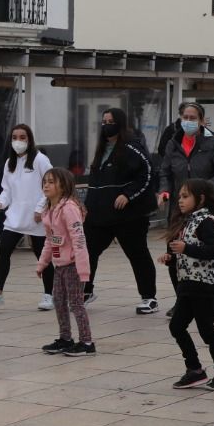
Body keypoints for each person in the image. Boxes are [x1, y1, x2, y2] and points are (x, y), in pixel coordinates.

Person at [161, 179, 214, 390]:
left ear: (201, 198)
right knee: (176, 326)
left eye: (185, 196)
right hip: (188, 283)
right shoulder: (187, 220)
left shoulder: (207, 221)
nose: (180, 200)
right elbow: (184, 249)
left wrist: (185, 248)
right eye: (179, 197)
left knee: (206, 329)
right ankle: (195, 369)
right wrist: (171, 257)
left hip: (205, 284)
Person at [82, 108, 159, 313]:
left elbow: (148, 174)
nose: (106, 125)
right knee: (88, 251)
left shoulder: (131, 148)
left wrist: (128, 194)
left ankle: (149, 297)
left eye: (110, 121)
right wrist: (87, 206)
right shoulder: (102, 149)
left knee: (137, 253)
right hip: (99, 214)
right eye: (103, 121)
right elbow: (95, 181)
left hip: (128, 216)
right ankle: (85, 291)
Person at [155, 103, 214, 307]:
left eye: (192, 117)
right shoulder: (173, 143)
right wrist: (164, 191)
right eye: (184, 117)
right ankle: (182, 301)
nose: (188, 121)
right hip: (178, 207)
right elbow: (165, 172)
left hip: (205, 207)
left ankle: (209, 303)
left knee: (204, 252)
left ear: (202, 120)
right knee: (174, 253)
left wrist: (204, 188)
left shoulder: (212, 143)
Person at [0, 124, 55, 312]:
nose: (18, 141)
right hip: (14, 218)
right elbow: (7, 189)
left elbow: (51, 185)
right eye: (14, 137)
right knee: (3, 251)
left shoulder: (40, 160)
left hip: (36, 218)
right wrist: (1, 202)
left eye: (22, 137)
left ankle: (49, 294)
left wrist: (40, 209)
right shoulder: (9, 163)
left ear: (29, 139)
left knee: (42, 256)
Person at [33, 168, 94, 357]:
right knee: (58, 301)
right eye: (45, 181)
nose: (46, 185)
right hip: (59, 265)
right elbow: (50, 240)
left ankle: (86, 342)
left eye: (51, 182)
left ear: (63, 186)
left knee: (76, 303)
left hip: (73, 265)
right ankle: (65, 339)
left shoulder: (69, 208)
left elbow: (78, 238)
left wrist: (83, 269)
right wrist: (43, 262)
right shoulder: (49, 210)